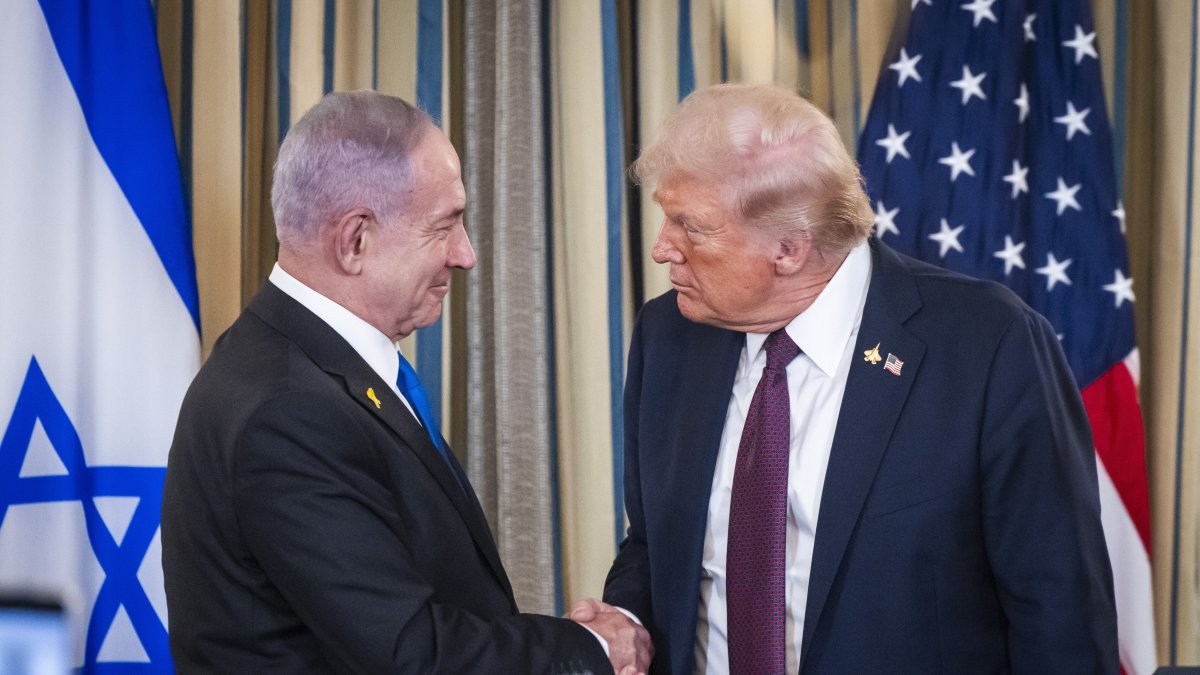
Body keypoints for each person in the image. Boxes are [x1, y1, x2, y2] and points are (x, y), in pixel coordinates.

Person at [591, 83, 1117, 673]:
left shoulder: (989, 345)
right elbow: (655, 542)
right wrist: (624, 621)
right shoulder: (669, 334)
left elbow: (1058, 608)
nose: (663, 248)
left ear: (789, 249)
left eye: (691, 227)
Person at [162, 90, 651, 674]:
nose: (465, 254)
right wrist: (592, 649)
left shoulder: (295, 364)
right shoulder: (289, 412)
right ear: (355, 241)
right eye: (444, 226)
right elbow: (410, 655)